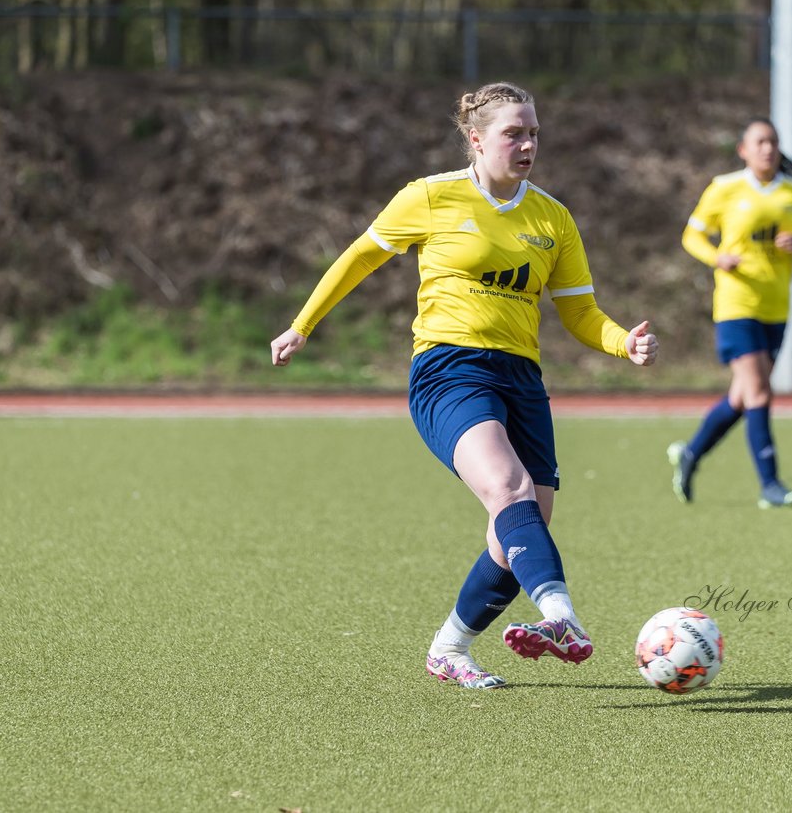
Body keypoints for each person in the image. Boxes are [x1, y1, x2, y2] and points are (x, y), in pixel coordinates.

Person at [270, 82, 658, 690]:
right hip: (449, 369)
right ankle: (561, 616)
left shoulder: (552, 218)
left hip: (521, 378)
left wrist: (622, 343)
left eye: (533, 132)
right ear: (476, 139)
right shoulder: (430, 197)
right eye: (514, 133)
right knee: (509, 488)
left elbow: (581, 313)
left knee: (521, 528)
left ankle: (449, 648)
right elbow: (358, 258)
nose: (527, 143)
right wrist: (302, 325)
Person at [666, 118, 792, 509]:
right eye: (760, 142)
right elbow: (692, 235)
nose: (768, 148)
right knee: (760, 391)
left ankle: (691, 453)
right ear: (743, 150)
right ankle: (770, 485)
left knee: (741, 397)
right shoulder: (725, 188)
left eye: (773, 142)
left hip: (776, 306)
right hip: (736, 304)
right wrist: (717, 257)